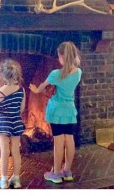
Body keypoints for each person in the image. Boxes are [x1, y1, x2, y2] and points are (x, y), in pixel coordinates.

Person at [29, 41, 82, 184]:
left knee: (58, 141)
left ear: (62, 56)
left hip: (57, 110)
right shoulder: (78, 73)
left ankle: (56, 173)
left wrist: (35, 90)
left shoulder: (55, 74)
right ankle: (67, 171)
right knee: (69, 139)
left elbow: (41, 87)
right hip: (69, 110)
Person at [0, 59, 26, 189]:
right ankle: (16, 179)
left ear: (3, 75)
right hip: (16, 122)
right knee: (16, 151)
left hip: (3, 122)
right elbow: (21, 109)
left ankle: (4, 180)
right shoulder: (21, 90)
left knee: (4, 151)